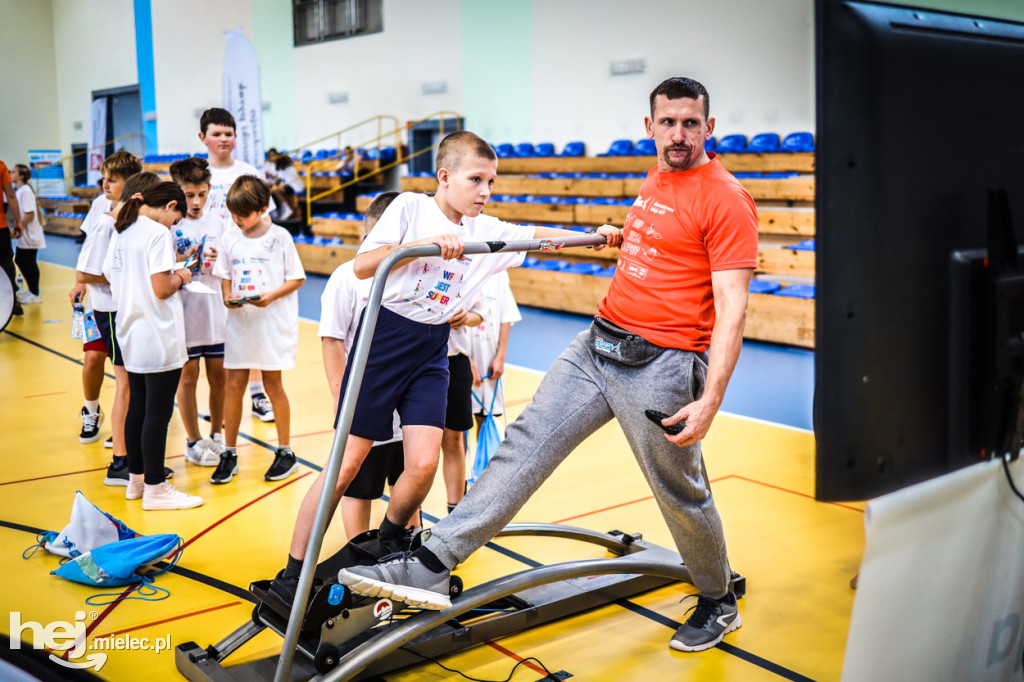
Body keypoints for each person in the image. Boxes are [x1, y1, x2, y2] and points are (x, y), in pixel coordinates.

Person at [338, 77, 758, 654]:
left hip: (663, 363)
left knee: (679, 489)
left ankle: (717, 597)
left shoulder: (726, 197)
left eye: (691, 123)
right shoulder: (658, 177)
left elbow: (734, 310)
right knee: (523, 448)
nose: (678, 134)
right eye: (668, 122)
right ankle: (434, 560)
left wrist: (709, 397)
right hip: (598, 344)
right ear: (649, 127)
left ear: (710, 128)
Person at [268, 130, 621, 603]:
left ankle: (392, 539)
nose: (485, 191)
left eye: (491, 182)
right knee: (346, 463)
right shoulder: (410, 209)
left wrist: (596, 237)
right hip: (385, 342)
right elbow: (362, 265)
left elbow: (539, 235)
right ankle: (293, 572)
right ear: (445, 176)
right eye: (477, 180)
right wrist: (426, 242)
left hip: (433, 348)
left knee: (422, 464)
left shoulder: (485, 230)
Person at [102, 181, 202, 510]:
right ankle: (157, 489)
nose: (174, 225)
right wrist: (184, 275)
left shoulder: (123, 229)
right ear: (171, 206)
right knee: (157, 414)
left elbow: (110, 273)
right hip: (157, 333)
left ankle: (137, 482)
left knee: (138, 408)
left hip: (130, 329)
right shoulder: (158, 233)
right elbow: (161, 288)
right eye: (176, 218)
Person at [317, 191, 411, 539]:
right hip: (366, 403)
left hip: (407, 408)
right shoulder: (347, 278)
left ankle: (405, 547)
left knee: (407, 482)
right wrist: (342, 399)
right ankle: (358, 550)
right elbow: (331, 340)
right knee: (360, 488)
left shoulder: (414, 275)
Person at [211, 176, 305, 485]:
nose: (237, 220)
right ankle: (229, 452)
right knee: (234, 385)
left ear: (263, 209)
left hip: (272, 323)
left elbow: (296, 278)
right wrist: (227, 296)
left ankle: (286, 452)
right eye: (233, 213)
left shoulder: (280, 237)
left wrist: (271, 296)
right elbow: (224, 273)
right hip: (241, 323)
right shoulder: (230, 237)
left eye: (243, 214)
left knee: (272, 384)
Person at [198, 107, 277, 423]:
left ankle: (258, 396)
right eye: (216, 133)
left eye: (228, 134)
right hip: (204, 269)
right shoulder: (198, 173)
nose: (223, 139)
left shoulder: (248, 172)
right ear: (202, 137)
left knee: (249, 331)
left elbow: (265, 218)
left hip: (244, 265)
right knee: (212, 340)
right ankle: (216, 402)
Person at [69, 151, 143, 447]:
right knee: (93, 358)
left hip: (126, 304)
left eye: (111, 180)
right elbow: (89, 253)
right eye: (103, 179)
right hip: (100, 304)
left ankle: (122, 428)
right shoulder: (101, 210)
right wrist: (79, 282)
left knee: (125, 372)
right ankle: (90, 410)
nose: (104, 184)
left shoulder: (139, 209)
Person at [169, 157, 228, 467]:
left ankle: (217, 435)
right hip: (184, 312)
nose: (195, 201)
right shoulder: (170, 223)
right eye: (189, 194)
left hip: (214, 311)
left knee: (219, 377)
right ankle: (193, 440)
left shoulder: (219, 222)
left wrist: (219, 260)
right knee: (188, 379)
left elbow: (229, 265)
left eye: (201, 194)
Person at [441, 295, 485, 513]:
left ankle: (455, 513)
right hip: (419, 357)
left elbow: (480, 314)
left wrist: (467, 317)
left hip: (456, 359)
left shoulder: (469, 270)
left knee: (454, 438)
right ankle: (412, 522)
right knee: (419, 443)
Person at [468, 271, 521, 438]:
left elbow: (507, 316)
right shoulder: (462, 268)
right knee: (456, 429)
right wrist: (466, 363)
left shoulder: (499, 272)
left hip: (490, 358)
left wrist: (501, 357)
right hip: (462, 357)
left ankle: (482, 464)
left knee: (486, 421)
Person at [12, 164, 46, 304]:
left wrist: (18, 228)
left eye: (14, 172)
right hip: (25, 235)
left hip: (30, 235)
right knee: (20, 260)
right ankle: (32, 290)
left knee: (29, 263)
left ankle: (35, 293)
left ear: (21, 176)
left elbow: (30, 214)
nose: (11, 174)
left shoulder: (25, 191)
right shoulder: (20, 191)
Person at [0, 158, 23, 317]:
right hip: (0, 226)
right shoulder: (1, 165)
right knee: (6, 262)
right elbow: (10, 194)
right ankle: (12, 300)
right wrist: (18, 221)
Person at [270, 155, 303, 222]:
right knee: (273, 189)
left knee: (274, 190)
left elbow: (276, 182)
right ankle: (278, 209)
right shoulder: (290, 167)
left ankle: (286, 208)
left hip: (294, 188)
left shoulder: (283, 170)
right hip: (295, 186)